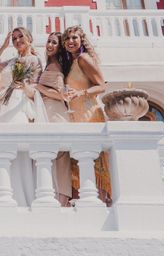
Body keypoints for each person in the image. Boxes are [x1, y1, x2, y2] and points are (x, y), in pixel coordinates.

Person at [0, 27, 47, 206]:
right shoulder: (12, 60)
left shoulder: (35, 59)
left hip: (19, 103)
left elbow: (35, 89)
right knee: (2, 147)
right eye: (14, 38)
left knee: (17, 148)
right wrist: (4, 45)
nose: (17, 40)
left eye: (20, 36)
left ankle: (23, 198)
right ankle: (2, 192)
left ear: (29, 38)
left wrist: (22, 86)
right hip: (4, 105)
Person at [62, 25, 111, 202]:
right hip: (76, 114)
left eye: (74, 37)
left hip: (89, 113)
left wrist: (80, 93)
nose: (70, 41)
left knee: (94, 157)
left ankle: (103, 200)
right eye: (67, 39)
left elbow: (102, 86)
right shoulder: (73, 62)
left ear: (81, 40)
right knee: (81, 157)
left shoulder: (83, 58)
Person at [35, 32, 72, 206]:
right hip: (48, 111)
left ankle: (62, 199)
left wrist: (37, 86)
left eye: (54, 43)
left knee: (60, 157)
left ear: (59, 47)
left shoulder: (56, 66)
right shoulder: (50, 64)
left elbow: (60, 94)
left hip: (56, 112)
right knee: (52, 156)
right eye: (48, 41)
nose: (49, 45)